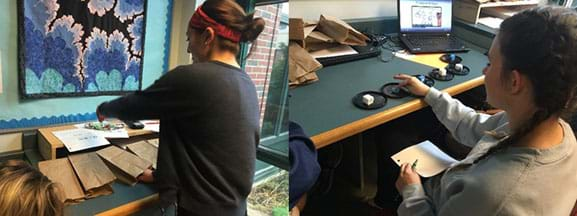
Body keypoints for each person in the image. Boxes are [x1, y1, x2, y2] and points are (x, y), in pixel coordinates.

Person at [393, 6, 577, 215]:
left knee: (392, 138)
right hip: (457, 186)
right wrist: (429, 93)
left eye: (490, 63)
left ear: (515, 82)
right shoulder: (556, 132)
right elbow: (472, 125)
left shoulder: (494, 196)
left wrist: (412, 193)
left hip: (433, 201)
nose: (484, 70)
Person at [96, 0, 265, 214]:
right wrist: (159, 176)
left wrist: (104, 108)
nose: (188, 47)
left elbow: (134, 106)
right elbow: (212, 151)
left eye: (189, 38)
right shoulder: (246, 83)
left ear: (208, 36)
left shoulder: (195, 77)